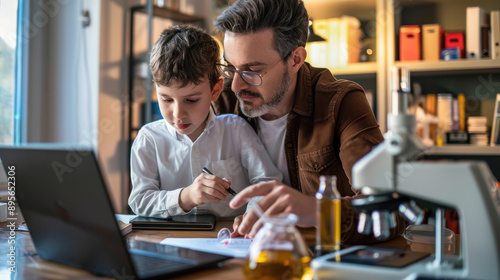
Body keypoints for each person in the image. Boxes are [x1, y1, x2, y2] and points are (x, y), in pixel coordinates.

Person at [213, 0, 405, 243]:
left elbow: (391, 212)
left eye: (252, 70)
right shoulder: (223, 102)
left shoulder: (341, 103)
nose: (237, 85)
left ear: (295, 59)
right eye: (230, 68)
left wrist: (316, 211)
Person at [128, 25, 282, 219]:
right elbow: (139, 200)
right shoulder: (149, 138)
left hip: (230, 237)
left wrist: (253, 213)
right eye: (166, 99)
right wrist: (187, 196)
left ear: (215, 90)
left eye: (191, 100)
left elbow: (268, 182)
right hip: (172, 240)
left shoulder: (235, 130)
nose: (178, 114)